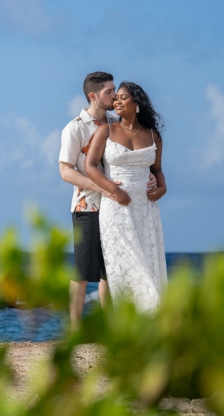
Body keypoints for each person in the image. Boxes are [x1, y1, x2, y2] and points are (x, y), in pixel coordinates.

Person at [59, 72, 138, 330]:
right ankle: (74, 331)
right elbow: (65, 171)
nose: (115, 96)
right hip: (88, 207)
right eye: (109, 91)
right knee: (82, 272)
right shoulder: (75, 128)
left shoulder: (117, 123)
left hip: (117, 206)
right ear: (93, 96)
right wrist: (102, 188)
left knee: (110, 271)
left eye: (115, 90)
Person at [84, 81, 167, 312]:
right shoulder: (106, 131)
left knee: (148, 264)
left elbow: (157, 170)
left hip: (146, 210)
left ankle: (151, 318)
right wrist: (114, 190)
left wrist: (162, 189)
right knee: (124, 265)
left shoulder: (153, 136)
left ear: (137, 103)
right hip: (115, 209)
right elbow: (90, 166)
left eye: (123, 97)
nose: (117, 101)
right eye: (116, 98)